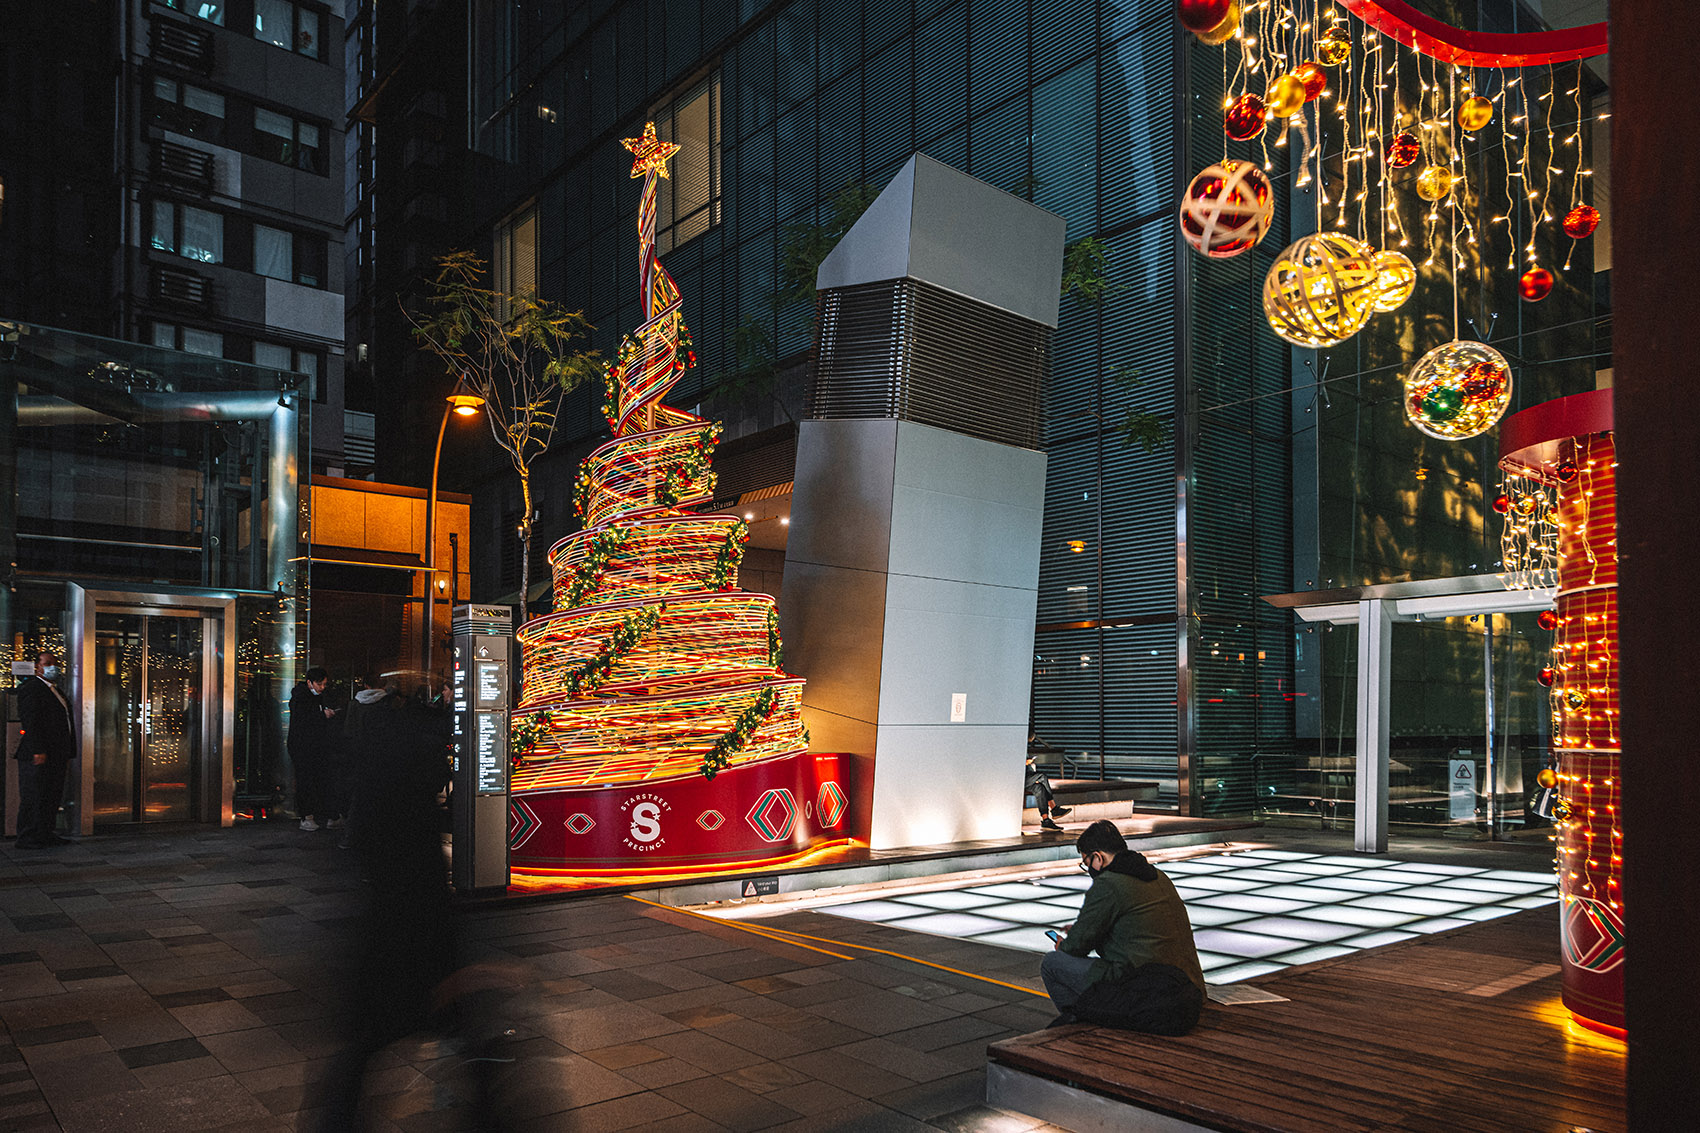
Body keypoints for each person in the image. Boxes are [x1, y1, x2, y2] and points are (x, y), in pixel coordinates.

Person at [1041, 820, 1205, 1033]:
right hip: (1186, 984)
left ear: (1098, 857)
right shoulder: (1156, 875)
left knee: (1052, 963)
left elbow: (1076, 947)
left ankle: (1081, 1024)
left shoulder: (1108, 883)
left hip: (1143, 986)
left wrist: (1064, 944)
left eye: (1086, 862)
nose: (1088, 868)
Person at [12, 651, 76, 848]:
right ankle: (27, 836)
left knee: (51, 795)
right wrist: (38, 750)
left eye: (54, 663)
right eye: (47, 663)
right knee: (34, 795)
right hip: (39, 753)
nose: (52, 667)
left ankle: (45, 833)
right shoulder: (32, 688)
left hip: (57, 753)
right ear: (37, 667)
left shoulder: (55, 690)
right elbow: (31, 721)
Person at [288, 666, 339, 831]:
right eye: (319, 684)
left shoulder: (314, 697)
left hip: (314, 746)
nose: (322, 687)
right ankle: (307, 816)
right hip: (304, 747)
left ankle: (316, 815)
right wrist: (322, 715)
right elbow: (302, 719)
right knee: (306, 781)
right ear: (310, 683)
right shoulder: (301, 698)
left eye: (324, 684)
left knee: (316, 780)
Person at [1025, 754, 1072, 831]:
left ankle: (1046, 820)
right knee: (1042, 776)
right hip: (1019, 778)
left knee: (1039, 788)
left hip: (1027, 776)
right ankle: (1054, 808)